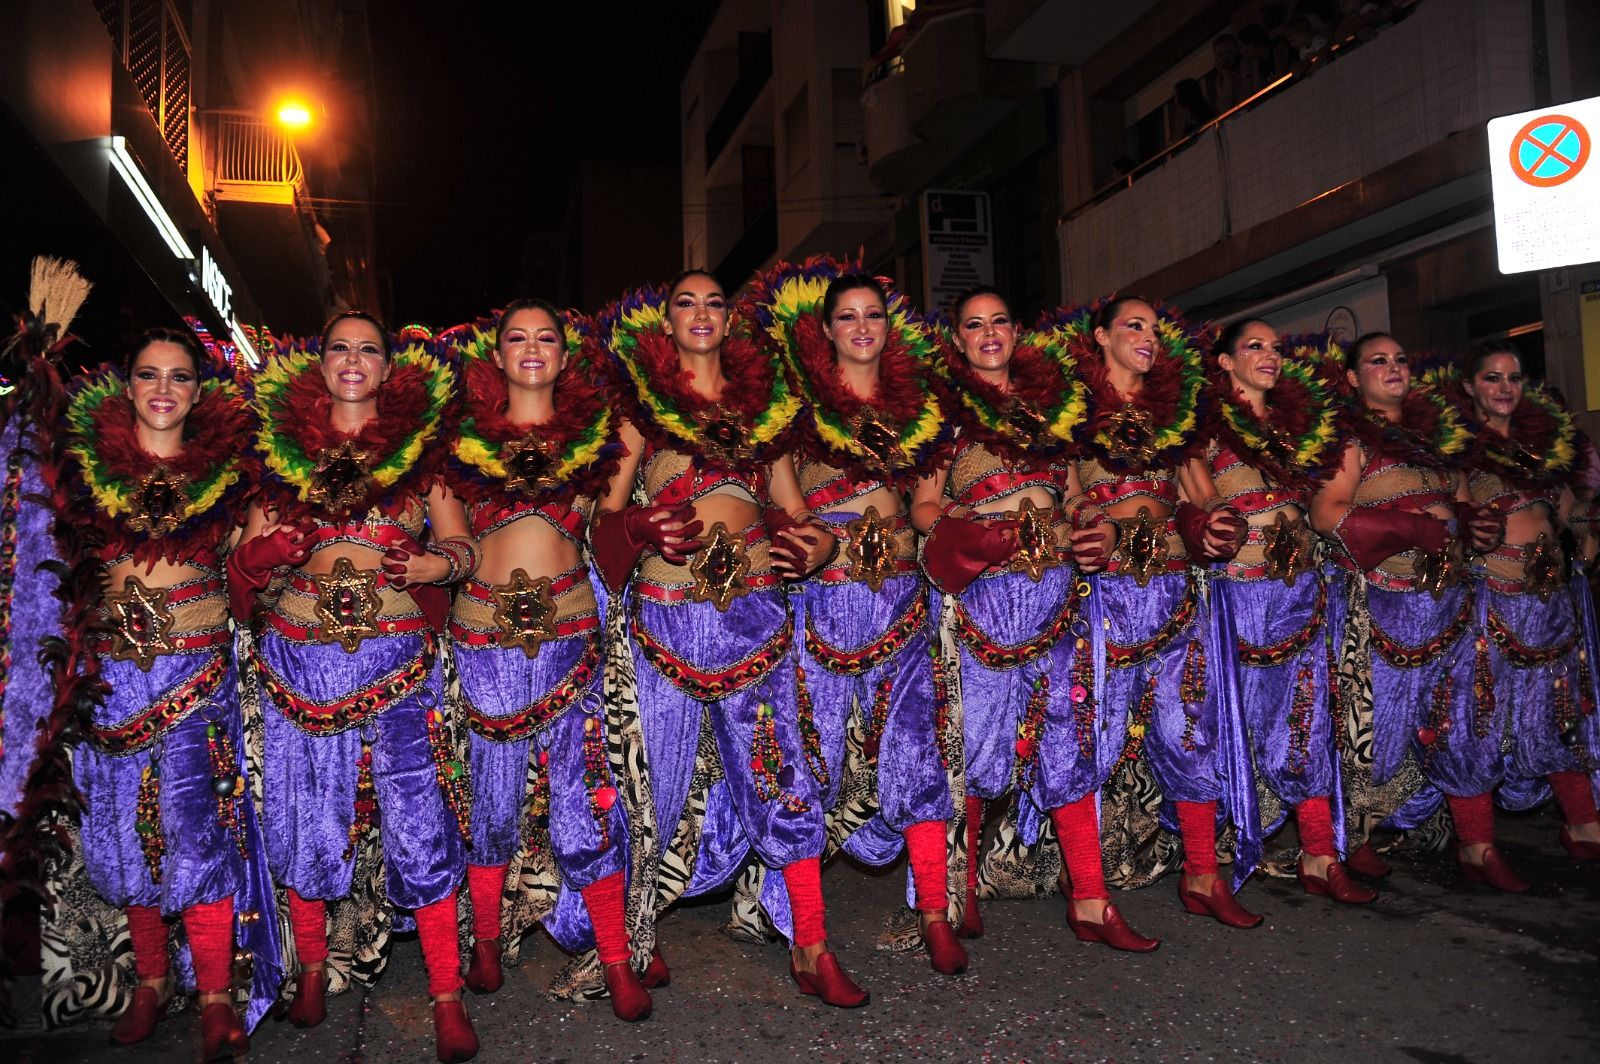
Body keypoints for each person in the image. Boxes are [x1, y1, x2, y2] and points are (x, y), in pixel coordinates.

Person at [597, 270, 868, 1007]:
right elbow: (602, 523)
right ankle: (630, 936)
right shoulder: (640, 416)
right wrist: (635, 528)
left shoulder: (765, 413)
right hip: (666, 620)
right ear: (666, 321)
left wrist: (816, 548)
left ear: (730, 321)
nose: (701, 312)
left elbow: (797, 512)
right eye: (684, 300)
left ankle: (811, 944)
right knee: (650, 784)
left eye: (714, 301)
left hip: (755, 620)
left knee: (785, 780)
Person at [230, 312, 479, 1062]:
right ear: (320, 365)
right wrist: (265, 555)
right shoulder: (279, 460)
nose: (352, 360)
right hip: (299, 670)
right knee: (305, 825)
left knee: (420, 824)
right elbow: (242, 573)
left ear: (386, 368)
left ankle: (445, 994)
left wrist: (440, 566)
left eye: (368, 349)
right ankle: (310, 972)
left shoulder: (421, 461)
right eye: (339, 347)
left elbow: (462, 544)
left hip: (398, 670)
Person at [66, 327, 278, 1057]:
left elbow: (248, 571)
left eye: (179, 377)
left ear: (198, 391)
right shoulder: (79, 471)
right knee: (123, 836)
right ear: (127, 387)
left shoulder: (232, 474)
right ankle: (151, 983)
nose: (163, 389)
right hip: (110, 680)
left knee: (199, 828)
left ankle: (217, 995)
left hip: (196, 676)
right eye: (149, 375)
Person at [913, 287, 1146, 950]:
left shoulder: (1053, 410)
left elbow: (1076, 497)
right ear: (958, 340)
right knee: (975, 747)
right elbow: (924, 510)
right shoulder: (942, 416)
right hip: (985, 601)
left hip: (1058, 599)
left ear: (1016, 332)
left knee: (1069, 743)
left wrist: (1092, 527)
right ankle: (959, 888)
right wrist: (973, 533)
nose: (988, 334)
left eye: (999, 322)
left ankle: (1092, 901)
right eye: (973, 325)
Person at [747, 263, 963, 974]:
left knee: (916, 753)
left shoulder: (920, 408)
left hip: (900, 605)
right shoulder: (793, 412)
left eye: (874, 314)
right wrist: (812, 537)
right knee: (804, 765)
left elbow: (924, 510)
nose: (863, 327)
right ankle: (810, 941)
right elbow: (784, 509)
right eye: (848, 316)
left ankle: (935, 911)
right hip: (820, 607)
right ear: (825, 330)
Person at [439, 301, 653, 1017]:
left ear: (565, 356)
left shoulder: (605, 435)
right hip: (483, 640)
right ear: (497, 356)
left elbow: (610, 530)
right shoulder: (454, 436)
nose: (532, 349)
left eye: (547, 339)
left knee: (584, 801)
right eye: (516, 338)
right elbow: (451, 540)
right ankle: (487, 943)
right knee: (490, 796)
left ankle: (616, 957)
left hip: (569, 638)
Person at [1065, 297, 1263, 930]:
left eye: (1154, 329)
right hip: (1105, 599)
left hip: (1175, 596)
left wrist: (1215, 528)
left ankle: (1203, 876)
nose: (1147, 338)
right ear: (1101, 337)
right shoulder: (1070, 413)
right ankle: (1089, 898)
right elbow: (1064, 498)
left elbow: (1199, 496)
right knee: (1085, 739)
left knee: (1189, 729)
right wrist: (1091, 529)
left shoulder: (1176, 416)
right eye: (1133, 326)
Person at [1309, 333, 1505, 891]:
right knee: (1377, 728)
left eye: (1400, 359)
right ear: (1352, 379)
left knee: (1464, 719)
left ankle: (1479, 844)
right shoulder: (1349, 441)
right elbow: (1328, 514)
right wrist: (1414, 528)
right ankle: (1355, 837)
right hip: (1387, 606)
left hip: (1452, 604)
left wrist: (1473, 523)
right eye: (1378, 361)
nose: (1393, 368)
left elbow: (1461, 503)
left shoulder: (1438, 438)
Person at [1190, 320, 1373, 903]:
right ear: (1223, 362)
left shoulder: (1301, 428)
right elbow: (1189, 505)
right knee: (1216, 730)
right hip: (1233, 600)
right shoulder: (1200, 427)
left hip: (1299, 595)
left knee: (1307, 721)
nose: (1269, 356)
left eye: (1275, 348)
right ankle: (1205, 867)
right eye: (1254, 347)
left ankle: (1320, 855)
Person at [1449, 341, 1600, 861]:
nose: (1505, 388)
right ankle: (1477, 844)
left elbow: (1567, 510)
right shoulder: (1454, 448)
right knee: (1479, 718)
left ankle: (1583, 823)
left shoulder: (1542, 446)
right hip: (1490, 602)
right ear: (1470, 386)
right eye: (1492, 378)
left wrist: (1582, 530)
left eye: (1514, 378)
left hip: (1550, 599)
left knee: (1560, 711)